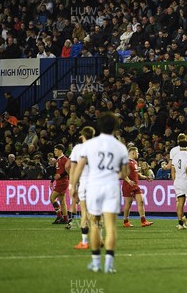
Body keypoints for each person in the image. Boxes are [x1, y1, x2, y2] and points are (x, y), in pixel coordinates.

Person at [71, 112, 129, 274]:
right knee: (110, 226)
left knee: (94, 223)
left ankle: (96, 263)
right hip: (111, 187)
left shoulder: (89, 145)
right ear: (115, 127)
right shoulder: (120, 146)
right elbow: (124, 173)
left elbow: (80, 167)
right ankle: (109, 265)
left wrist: (73, 186)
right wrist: (112, 174)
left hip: (94, 186)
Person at [70, 126, 95, 248]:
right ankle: (99, 238)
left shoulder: (79, 148)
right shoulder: (99, 147)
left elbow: (74, 169)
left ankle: (85, 242)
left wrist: (72, 186)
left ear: (82, 136)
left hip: (85, 182)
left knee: (84, 212)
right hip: (99, 183)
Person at [122, 146, 154, 228]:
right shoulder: (126, 162)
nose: (138, 154)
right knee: (128, 204)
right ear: (133, 153)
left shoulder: (134, 162)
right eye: (137, 152)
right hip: (128, 186)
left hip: (136, 185)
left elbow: (137, 174)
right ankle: (126, 221)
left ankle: (143, 221)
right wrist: (129, 181)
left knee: (141, 201)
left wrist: (145, 177)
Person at [172, 134, 187, 229]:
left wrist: (174, 181)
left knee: (180, 202)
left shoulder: (175, 156)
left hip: (178, 181)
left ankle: (180, 224)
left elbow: (173, 170)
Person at [50, 144, 70, 225]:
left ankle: (59, 216)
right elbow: (57, 173)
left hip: (63, 182)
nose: (54, 152)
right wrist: (52, 181)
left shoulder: (64, 159)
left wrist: (60, 175)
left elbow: (69, 169)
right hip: (60, 182)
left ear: (60, 150)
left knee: (52, 198)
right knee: (62, 201)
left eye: (56, 150)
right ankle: (65, 218)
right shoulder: (58, 160)